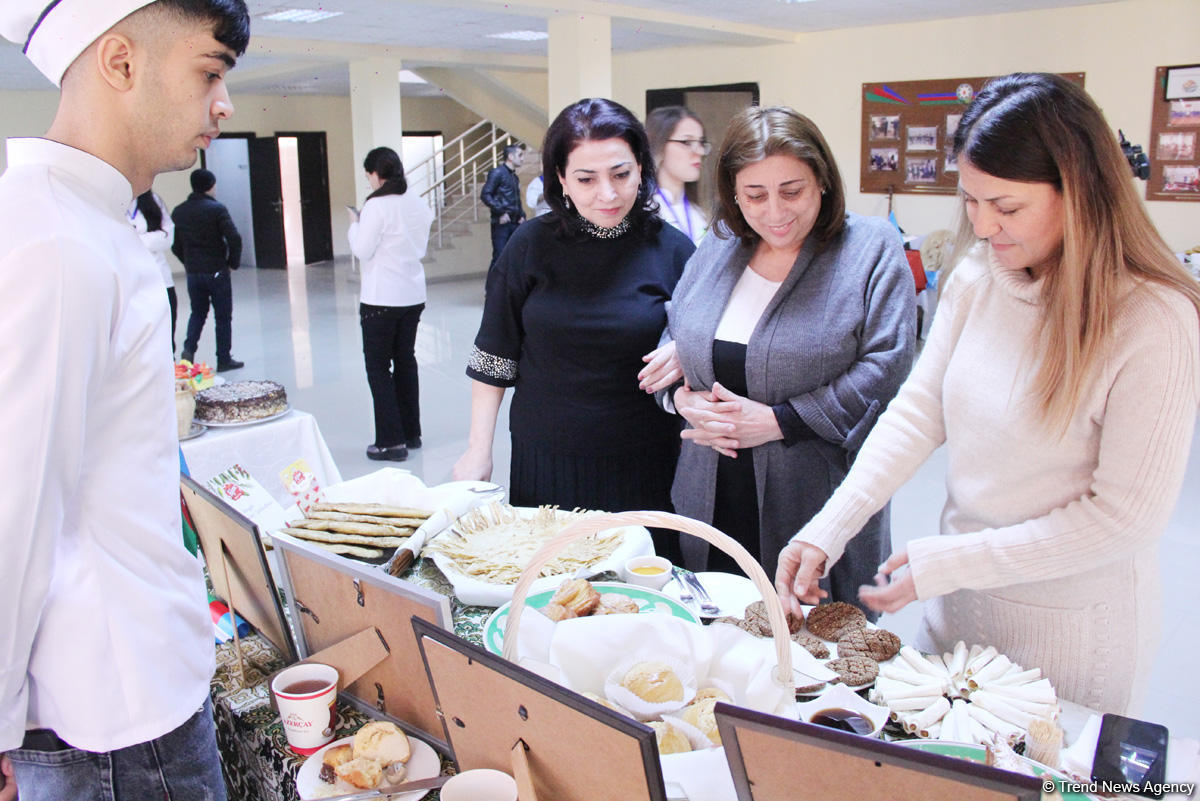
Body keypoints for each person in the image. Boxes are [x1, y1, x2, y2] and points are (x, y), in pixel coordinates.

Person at [777, 73, 1200, 714]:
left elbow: (1124, 519)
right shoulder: (978, 276)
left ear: (1080, 194)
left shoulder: (1153, 318)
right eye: (971, 201)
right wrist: (827, 529)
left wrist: (954, 562)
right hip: (959, 615)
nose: (983, 225)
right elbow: (920, 411)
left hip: (1072, 634)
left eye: (1007, 207)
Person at [0, 2, 250, 801]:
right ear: (120, 62)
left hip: (138, 680)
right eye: (209, 72)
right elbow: (14, 502)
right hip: (112, 719)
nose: (224, 103)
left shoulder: (93, 218)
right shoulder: (56, 241)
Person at [663, 106, 915, 602]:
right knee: (717, 634)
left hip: (811, 495)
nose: (775, 213)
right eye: (755, 195)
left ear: (822, 180)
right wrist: (678, 398)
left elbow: (887, 364)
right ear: (734, 194)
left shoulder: (870, 248)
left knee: (809, 652)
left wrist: (782, 420)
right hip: (710, 489)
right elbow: (678, 327)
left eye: (792, 191)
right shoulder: (721, 244)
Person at [453, 98, 695, 558]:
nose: (607, 193)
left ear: (641, 167)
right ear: (560, 179)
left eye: (621, 174)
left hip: (645, 460)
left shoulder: (673, 250)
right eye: (586, 179)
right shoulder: (529, 246)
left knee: (639, 592)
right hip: (547, 459)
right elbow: (493, 355)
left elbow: (707, 343)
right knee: (552, 592)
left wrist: (687, 349)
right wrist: (477, 450)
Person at [348, 146, 435, 462]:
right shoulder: (417, 202)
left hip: (381, 297)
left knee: (378, 369)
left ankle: (390, 442)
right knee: (406, 362)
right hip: (412, 295)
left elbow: (362, 250)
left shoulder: (377, 206)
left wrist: (354, 224)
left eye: (368, 175)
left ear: (375, 174)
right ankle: (411, 434)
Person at [173, 167, 244, 370]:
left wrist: (188, 262)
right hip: (216, 270)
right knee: (222, 315)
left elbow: (175, 245)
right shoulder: (217, 209)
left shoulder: (179, 211)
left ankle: (188, 352)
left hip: (194, 272)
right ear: (211, 186)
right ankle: (223, 358)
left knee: (197, 312)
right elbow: (234, 238)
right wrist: (232, 263)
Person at [645, 105, 710, 245]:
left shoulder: (700, 212)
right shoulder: (643, 211)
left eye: (701, 142)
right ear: (659, 145)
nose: (699, 151)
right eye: (687, 142)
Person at [131, 188, 178, 355]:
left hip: (162, 281)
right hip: (133, 285)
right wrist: (151, 238)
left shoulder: (153, 201)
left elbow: (167, 238)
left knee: (166, 336)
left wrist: (135, 238)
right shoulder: (114, 203)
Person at [481, 143, 526, 270]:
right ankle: (492, 289)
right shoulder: (497, 173)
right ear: (511, 156)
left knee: (515, 257)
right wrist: (501, 212)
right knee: (500, 257)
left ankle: (508, 289)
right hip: (502, 223)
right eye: (520, 155)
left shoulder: (514, 177)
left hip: (515, 222)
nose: (522, 158)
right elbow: (485, 194)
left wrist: (521, 215)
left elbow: (516, 199)